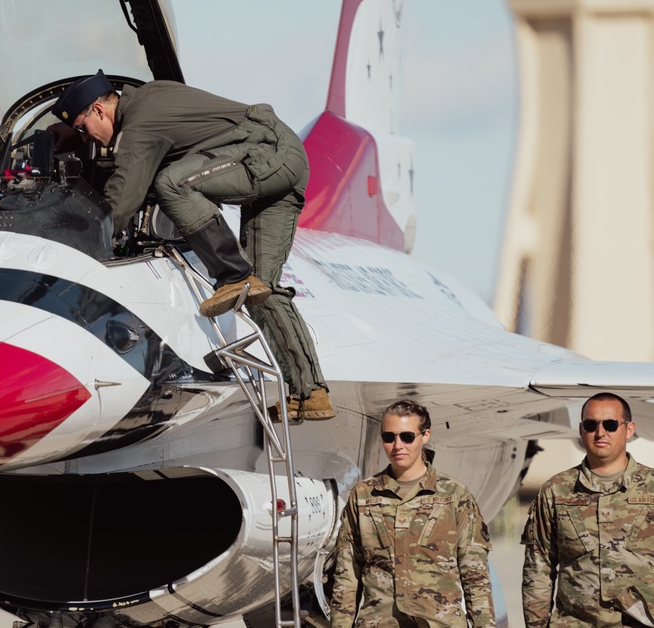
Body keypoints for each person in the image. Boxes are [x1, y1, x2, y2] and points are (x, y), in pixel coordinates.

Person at [51, 70, 332, 419]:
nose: (86, 137)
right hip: (284, 156)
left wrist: (79, 239)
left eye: (83, 128)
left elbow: (122, 200)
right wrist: (70, 136)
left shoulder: (140, 126)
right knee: (261, 289)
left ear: (99, 110)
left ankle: (232, 273)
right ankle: (310, 393)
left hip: (267, 154)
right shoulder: (149, 98)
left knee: (174, 184)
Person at [329, 399, 495, 627]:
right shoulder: (363, 495)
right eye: (389, 437)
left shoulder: (454, 494)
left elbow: (475, 574)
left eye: (407, 437)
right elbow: (347, 575)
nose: (398, 446)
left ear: (425, 435)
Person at [521, 392, 654, 627]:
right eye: (592, 425)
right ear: (582, 430)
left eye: (611, 425)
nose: (600, 433)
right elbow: (538, 568)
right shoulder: (557, 490)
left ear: (630, 429)